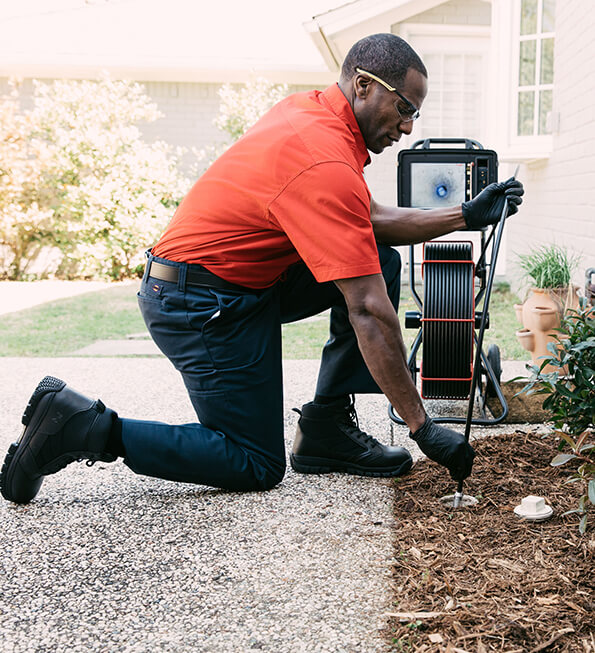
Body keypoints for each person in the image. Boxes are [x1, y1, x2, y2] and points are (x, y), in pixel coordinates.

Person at [0, 33, 523, 504]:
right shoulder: (323, 159)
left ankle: (325, 430)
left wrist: (465, 216)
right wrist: (421, 425)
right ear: (365, 85)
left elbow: (366, 219)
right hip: (198, 303)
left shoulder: (314, 114)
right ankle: (82, 427)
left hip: (238, 283)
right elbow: (367, 308)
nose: (408, 126)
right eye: (403, 106)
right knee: (253, 461)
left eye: (415, 113)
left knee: (376, 257)